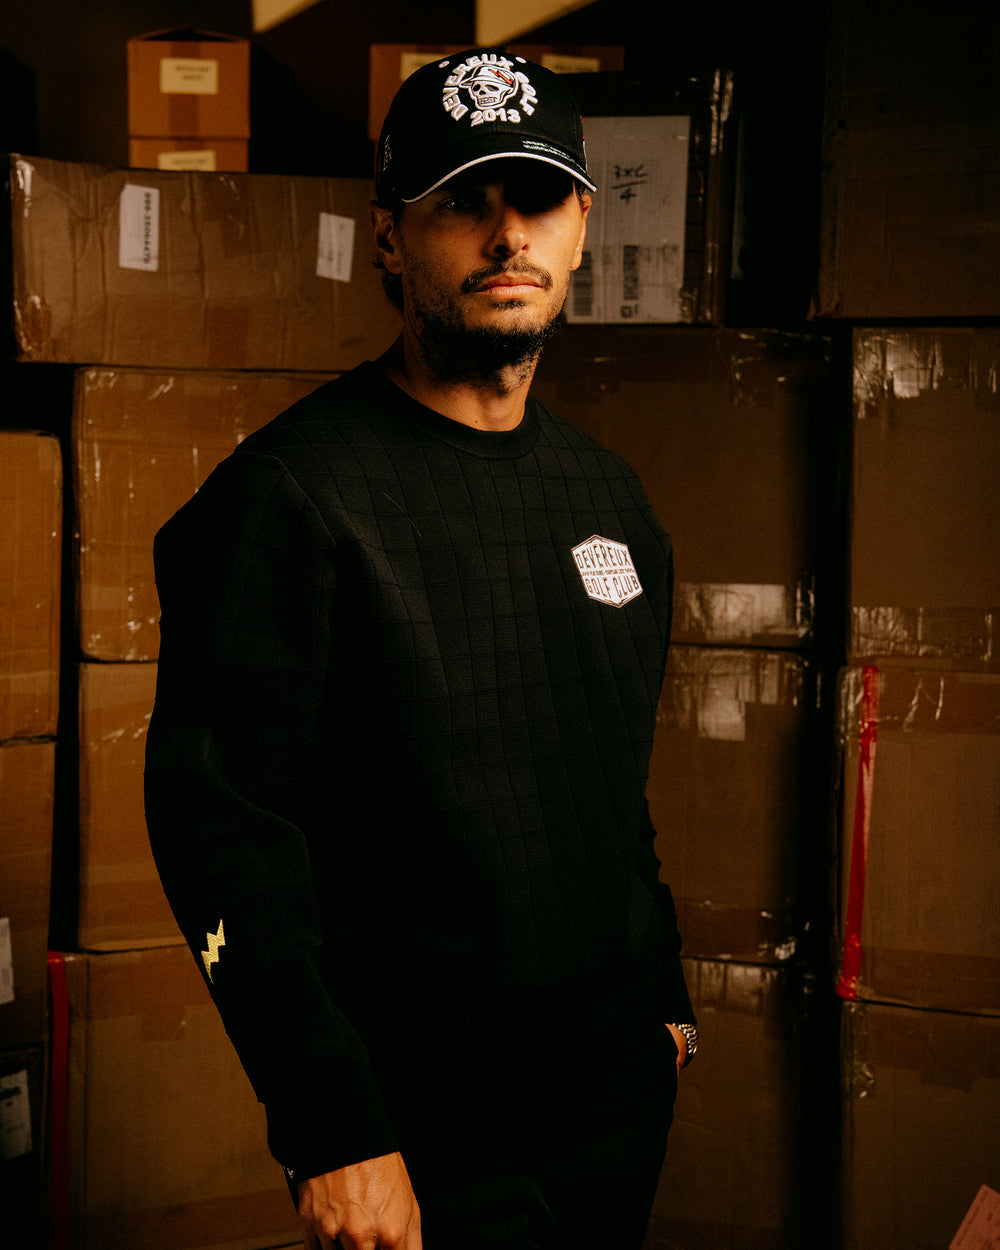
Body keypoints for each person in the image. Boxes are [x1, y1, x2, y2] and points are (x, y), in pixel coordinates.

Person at [145, 47, 696, 1250]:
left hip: (611, 1099)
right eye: (462, 201)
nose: (507, 236)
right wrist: (330, 1123)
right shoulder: (289, 502)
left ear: (583, 224)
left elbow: (611, 781)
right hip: (422, 1127)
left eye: (537, 198)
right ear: (391, 238)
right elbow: (221, 835)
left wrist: (663, 997)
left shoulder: (613, 501)